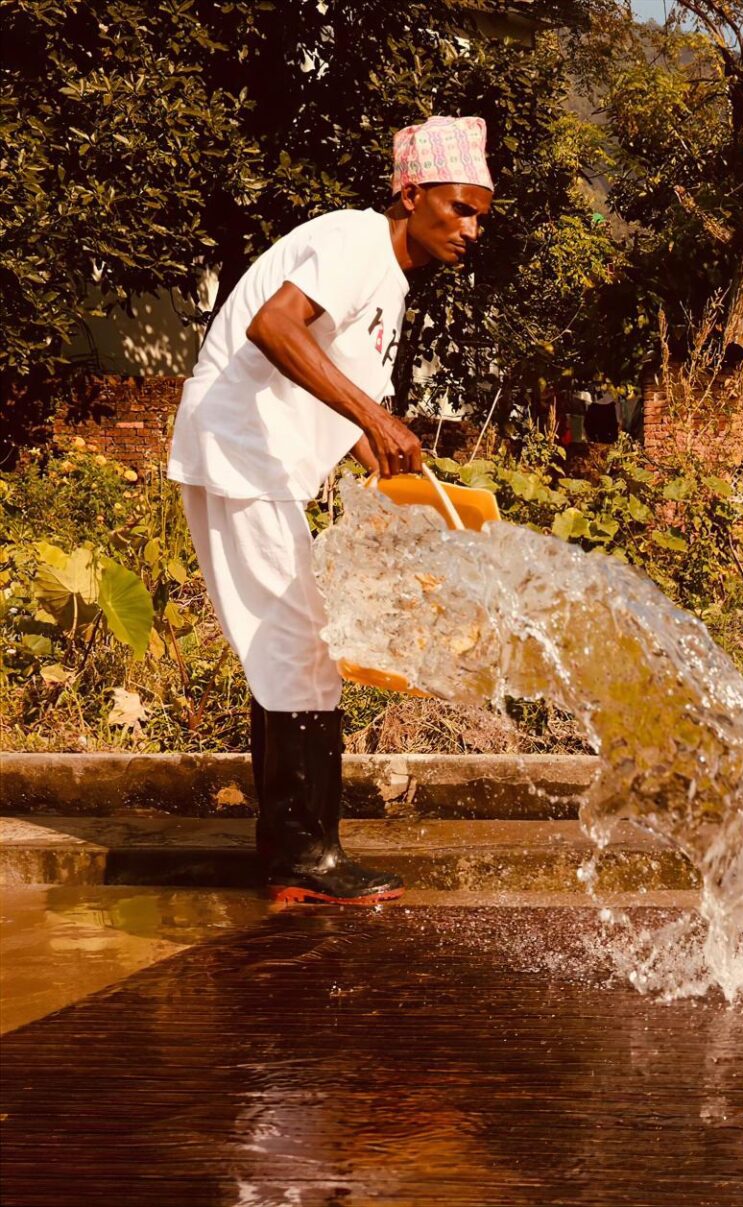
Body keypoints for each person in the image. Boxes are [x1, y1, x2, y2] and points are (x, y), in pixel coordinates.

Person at [168, 115, 495, 904]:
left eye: (480, 215)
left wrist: (404, 480)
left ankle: (296, 854)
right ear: (410, 194)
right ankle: (303, 859)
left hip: (262, 463)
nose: (471, 228)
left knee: (294, 644)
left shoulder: (390, 282)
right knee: (299, 645)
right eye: (459, 207)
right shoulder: (355, 242)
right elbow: (272, 325)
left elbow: (346, 405)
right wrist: (375, 418)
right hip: (240, 450)